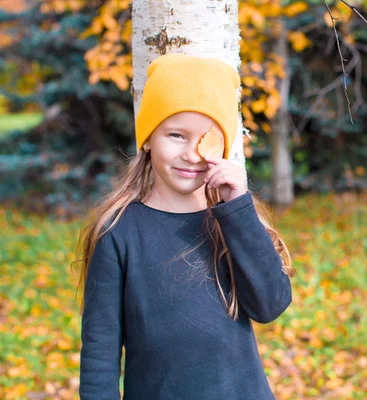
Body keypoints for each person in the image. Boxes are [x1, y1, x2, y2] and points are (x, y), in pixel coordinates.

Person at [74, 53, 295, 399]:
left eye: (205, 138)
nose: (192, 154)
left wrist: (238, 209)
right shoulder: (118, 231)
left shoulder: (230, 221)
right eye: (176, 134)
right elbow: (100, 353)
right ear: (147, 138)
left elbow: (270, 305)